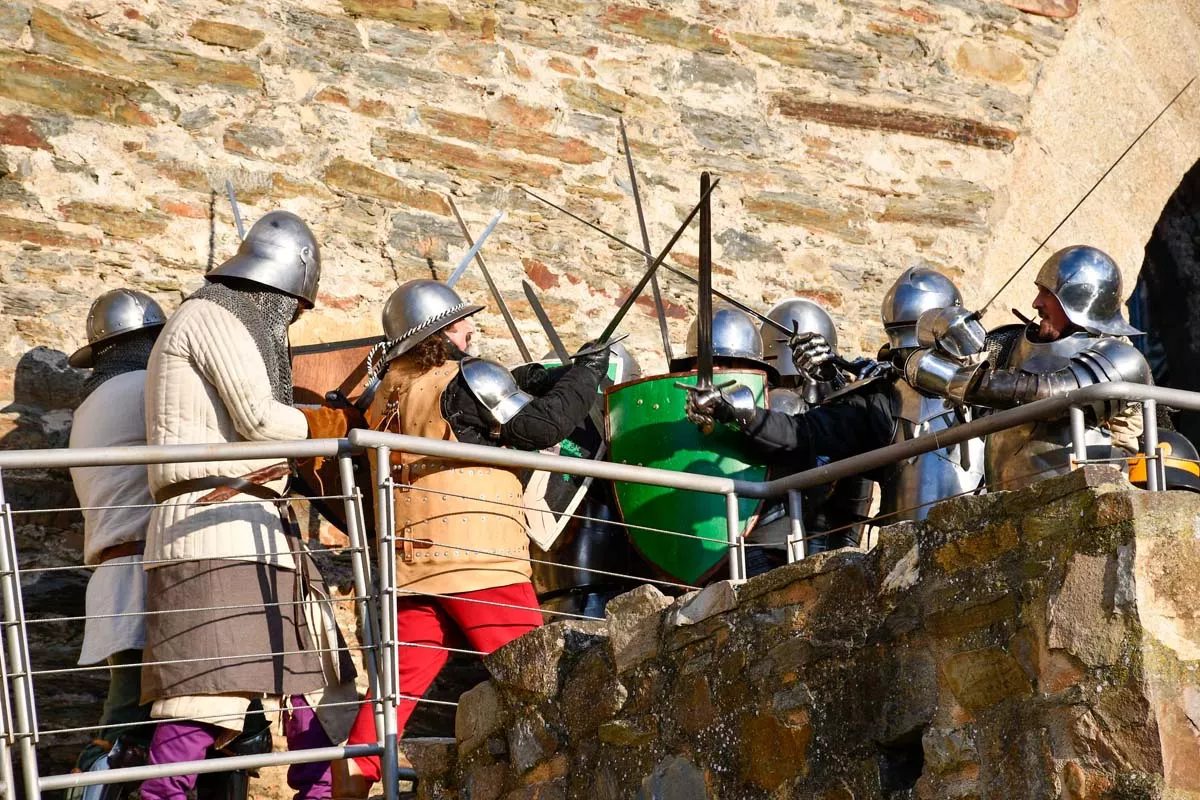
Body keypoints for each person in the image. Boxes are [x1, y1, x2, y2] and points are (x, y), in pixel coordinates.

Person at [307, 279, 610, 796]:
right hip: (477, 557)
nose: (471, 329)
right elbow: (539, 428)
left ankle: (350, 789)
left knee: (389, 701)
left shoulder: (388, 393)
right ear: (442, 330)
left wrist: (538, 375)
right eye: (463, 321)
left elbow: (468, 419)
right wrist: (585, 376)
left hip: (412, 565)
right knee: (539, 680)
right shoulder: (464, 377)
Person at [140, 211, 355, 800]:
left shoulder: (222, 320)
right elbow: (260, 420)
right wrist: (321, 423)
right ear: (280, 289)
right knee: (203, 689)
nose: (292, 322)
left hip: (257, 529)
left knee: (312, 684)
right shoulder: (211, 316)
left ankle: (316, 793)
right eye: (295, 309)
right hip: (211, 530)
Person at [905, 245, 1151, 489]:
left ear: (1081, 299)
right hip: (1005, 501)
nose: (1036, 303)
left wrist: (951, 378)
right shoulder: (1012, 344)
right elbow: (972, 400)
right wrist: (938, 331)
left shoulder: (1123, 357)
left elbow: (1052, 395)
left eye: (1047, 294)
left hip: (1083, 501)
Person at [67, 289, 167, 779]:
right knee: (130, 718)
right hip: (143, 569)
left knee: (132, 713)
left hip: (118, 570)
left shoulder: (90, 403)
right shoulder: (148, 387)